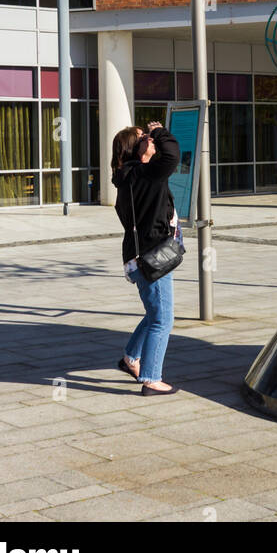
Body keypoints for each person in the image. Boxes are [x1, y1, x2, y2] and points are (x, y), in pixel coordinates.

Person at [111, 121, 181, 395]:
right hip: (153, 257)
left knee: (154, 313)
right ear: (135, 149)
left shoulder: (128, 177)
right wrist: (161, 131)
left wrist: (150, 145)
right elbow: (173, 156)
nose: (150, 139)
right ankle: (151, 378)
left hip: (137, 257)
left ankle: (130, 357)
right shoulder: (146, 175)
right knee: (162, 319)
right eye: (145, 138)